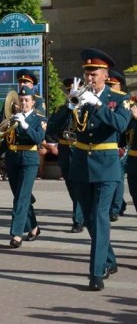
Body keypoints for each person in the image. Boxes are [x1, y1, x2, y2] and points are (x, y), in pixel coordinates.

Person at [67, 49, 128, 291]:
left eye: (93, 74)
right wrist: (69, 105)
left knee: (101, 218)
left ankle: (96, 272)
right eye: (86, 73)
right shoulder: (81, 97)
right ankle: (109, 259)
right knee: (90, 219)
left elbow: (121, 125)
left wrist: (99, 105)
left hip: (106, 166)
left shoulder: (119, 99)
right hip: (82, 164)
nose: (89, 78)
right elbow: (60, 129)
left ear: (105, 74)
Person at [4, 86, 46, 248]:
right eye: (21, 100)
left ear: (33, 102)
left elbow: (38, 138)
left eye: (26, 100)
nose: (23, 103)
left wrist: (25, 125)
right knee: (23, 197)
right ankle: (34, 227)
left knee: (20, 198)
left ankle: (16, 234)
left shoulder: (39, 119)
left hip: (29, 159)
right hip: (12, 159)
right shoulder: (12, 117)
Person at [47, 78, 84, 233]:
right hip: (65, 150)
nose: (72, 93)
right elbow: (51, 128)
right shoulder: (60, 109)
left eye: (75, 91)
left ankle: (78, 219)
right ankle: (82, 214)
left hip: (80, 150)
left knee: (79, 185)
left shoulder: (87, 109)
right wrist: (68, 108)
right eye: (69, 91)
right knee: (71, 186)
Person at [105, 70, 128, 221]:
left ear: (119, 86)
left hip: (122, 145)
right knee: (110, 179)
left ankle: (115, 208)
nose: (110, 88)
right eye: (109, 85)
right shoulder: (104, 100)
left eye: (113, 85)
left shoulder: (125, 101)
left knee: (118, 179)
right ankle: (119, 204)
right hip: (107, 146)